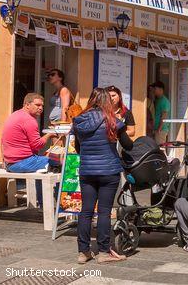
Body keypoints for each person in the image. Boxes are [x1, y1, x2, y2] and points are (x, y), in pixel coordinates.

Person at [72, 88, 129, 264]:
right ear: (107, 101)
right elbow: (128, 145)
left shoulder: (79, 120)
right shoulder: (113, 120)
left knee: (86, 211)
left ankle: (83, 252)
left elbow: (78, 148)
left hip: (87, 171)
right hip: (108, 171)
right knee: (104, 212)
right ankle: (104, 252)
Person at [2, 93, 56, 175]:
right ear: (27, 105)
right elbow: (37, 145)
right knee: (61, 162)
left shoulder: (14, 115)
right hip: (21, 163)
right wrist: (49, 134)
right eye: (37, 105)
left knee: (42, 167)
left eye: (42, 106)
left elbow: (2, 141)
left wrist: (3, 160)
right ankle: (62, 188)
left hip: (9, 164)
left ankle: (39, 188)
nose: (41, 108)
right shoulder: (29, 120)